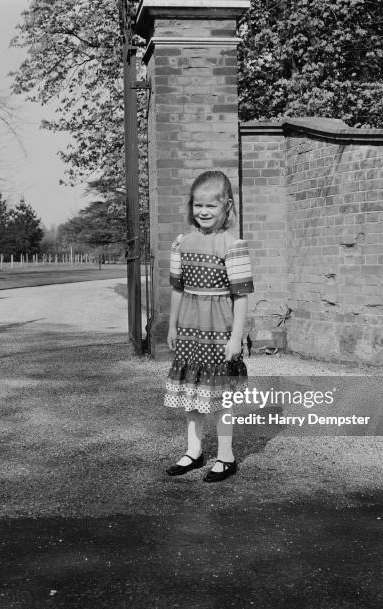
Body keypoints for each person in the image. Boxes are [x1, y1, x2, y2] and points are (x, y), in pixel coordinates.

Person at [164, 170, 254, 482]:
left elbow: (241, 297)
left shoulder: (233, 245)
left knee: (219, 396)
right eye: (197, 205)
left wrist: (236, 338)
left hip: (219, 330)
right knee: (192, 392)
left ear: (227, 207)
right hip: (189, 328)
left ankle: (226, 457)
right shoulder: (181, 243)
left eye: (211, 206)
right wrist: (172, 326)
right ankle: (193, 451)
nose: (203, 211)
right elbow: (177, 289)